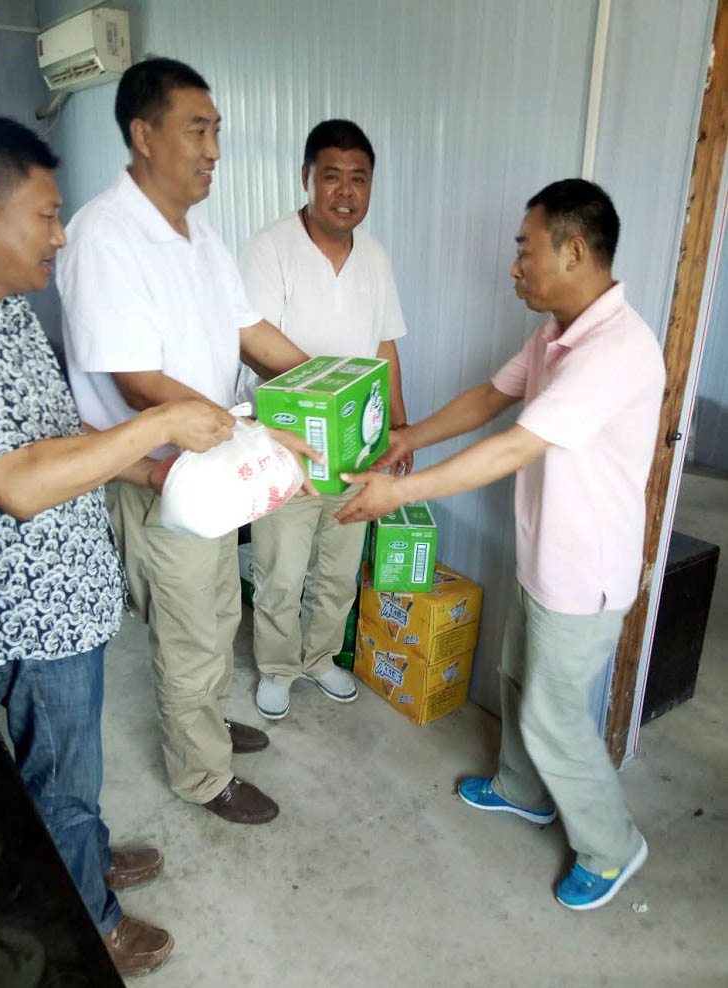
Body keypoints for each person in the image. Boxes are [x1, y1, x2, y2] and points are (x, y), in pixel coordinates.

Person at [336, 179, 665, 911]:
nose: (514, 267)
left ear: (572, 251)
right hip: (545, 556)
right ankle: (522, 790)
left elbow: (514, 445)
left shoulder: (614, 349)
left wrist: (398, 492)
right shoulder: (554, 334)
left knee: (554, 715)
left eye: (525, 250)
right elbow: (490, 397)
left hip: (585, 574)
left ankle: (612, 846)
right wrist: (407, 438)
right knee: (518, 679)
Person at [0, 115, 239, 976]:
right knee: (58, 779)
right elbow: (18, 483)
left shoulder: (10, 314)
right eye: (45, 216)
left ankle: (84, 856)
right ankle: (89, 924)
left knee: (71, 772)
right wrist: (164, 422)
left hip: (68, 590)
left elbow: (63, 439)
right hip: (31, 614)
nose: (59, 236)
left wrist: (150, 472)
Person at [57, 59, 315, 823]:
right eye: (196, 131)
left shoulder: (198, 232)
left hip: (216, 471)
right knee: (189, 631)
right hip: (159, 476)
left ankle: (208, 722)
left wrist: (326, 383)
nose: (213, 151)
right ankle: (202, 774)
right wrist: (254, 434)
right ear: (143, 135)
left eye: (216, 132)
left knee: (218, 611)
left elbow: (248, 330)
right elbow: (139, 384)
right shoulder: (105, 237)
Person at [237, 119, 412, 720]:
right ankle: (277, 667)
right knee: (282, 569)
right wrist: (325, 396)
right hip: (289, 444)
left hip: (359, 444)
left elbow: (385, 345)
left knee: (338, 566)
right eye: (332, 176)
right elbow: (252, 342)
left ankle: (318, 657)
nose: (345, 191)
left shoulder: (376, 258)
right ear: (306, 178)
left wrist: (398, 425)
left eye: (358, 179)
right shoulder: (271, 248)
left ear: (370, 186)